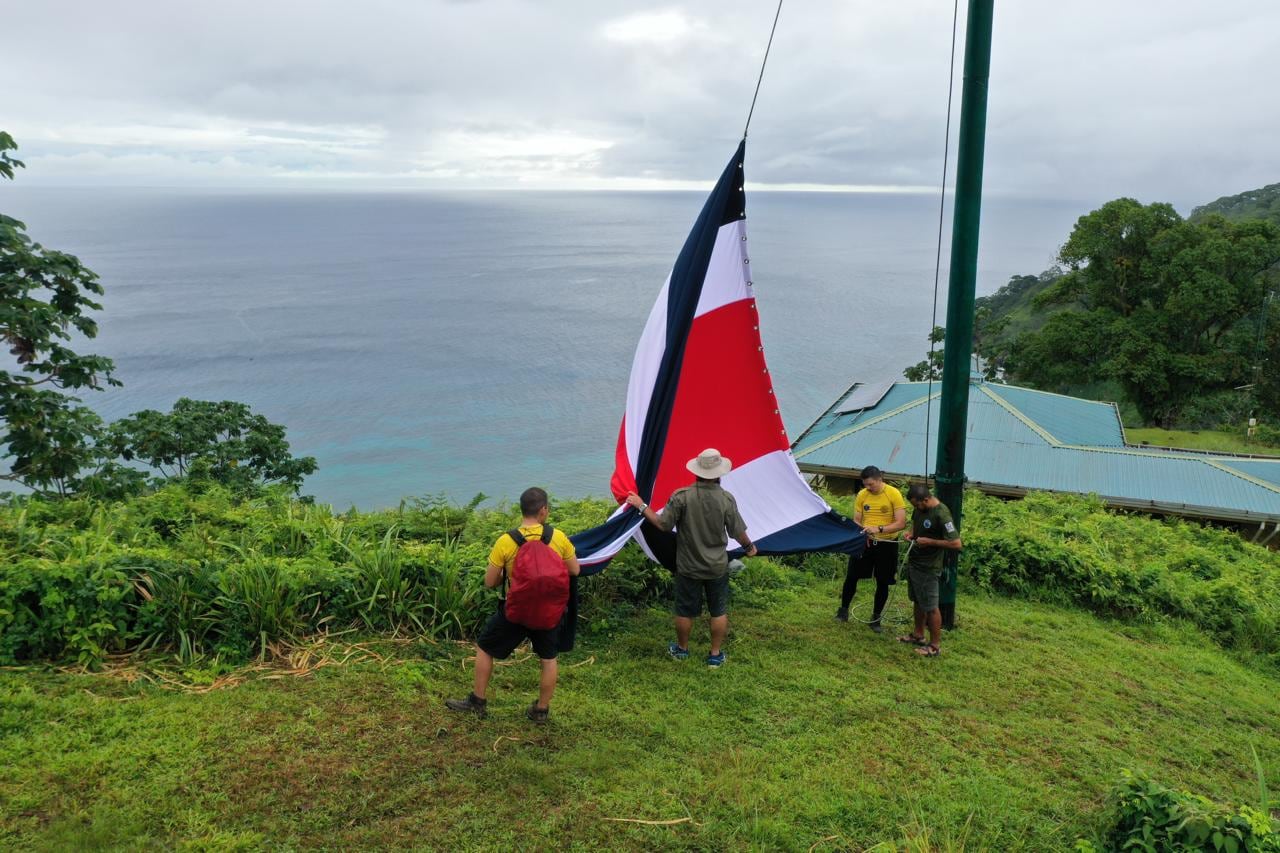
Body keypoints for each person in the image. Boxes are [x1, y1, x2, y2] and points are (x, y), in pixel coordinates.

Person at [446, 487, 580, 722]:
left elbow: (490, 582)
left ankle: (477, 702)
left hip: (515, 611)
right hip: (549, 612)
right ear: (543, 510)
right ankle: (541, 710)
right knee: (548, 659)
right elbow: (574, 570)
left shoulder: (506, 541)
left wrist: (507, 576)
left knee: (485, 648)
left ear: (522, 510)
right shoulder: (558, 537)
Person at [625, 448, 757, 667]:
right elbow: (737, 531)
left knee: (685, 611)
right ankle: (715, 655)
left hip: (688, 566)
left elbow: (663, 525)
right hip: (717, 566)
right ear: (719, 474)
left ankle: (682, 650)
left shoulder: (681, 497)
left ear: (696, 471)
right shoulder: (726, 499)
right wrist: (749, 547)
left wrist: (641, 505)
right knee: (718, 610)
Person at [835, 465, 907, 631]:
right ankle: (843, 611)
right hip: (865, 542)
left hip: (886, 543)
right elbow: (857, 519)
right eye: (865, 484)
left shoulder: (893, 493)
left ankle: (876, 618)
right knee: (852, 576)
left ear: (879, 480)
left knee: (883, 581)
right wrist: (863, 532)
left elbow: (901, 523)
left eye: (871, 484)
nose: (868, 487)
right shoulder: (862, 494)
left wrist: (879, 529)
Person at [898, 483, 961, 657]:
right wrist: (911, 533)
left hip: (929, 567)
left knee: (931, 607)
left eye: (917, 505)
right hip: (915, 563)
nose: (916, 508)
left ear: (926, 499)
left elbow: (956, 543)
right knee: (918, 601)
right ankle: (918, 635)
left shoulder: (942, 514)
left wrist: (930, 542)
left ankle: (934, 646)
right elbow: (915, 524)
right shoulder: (919, 508)